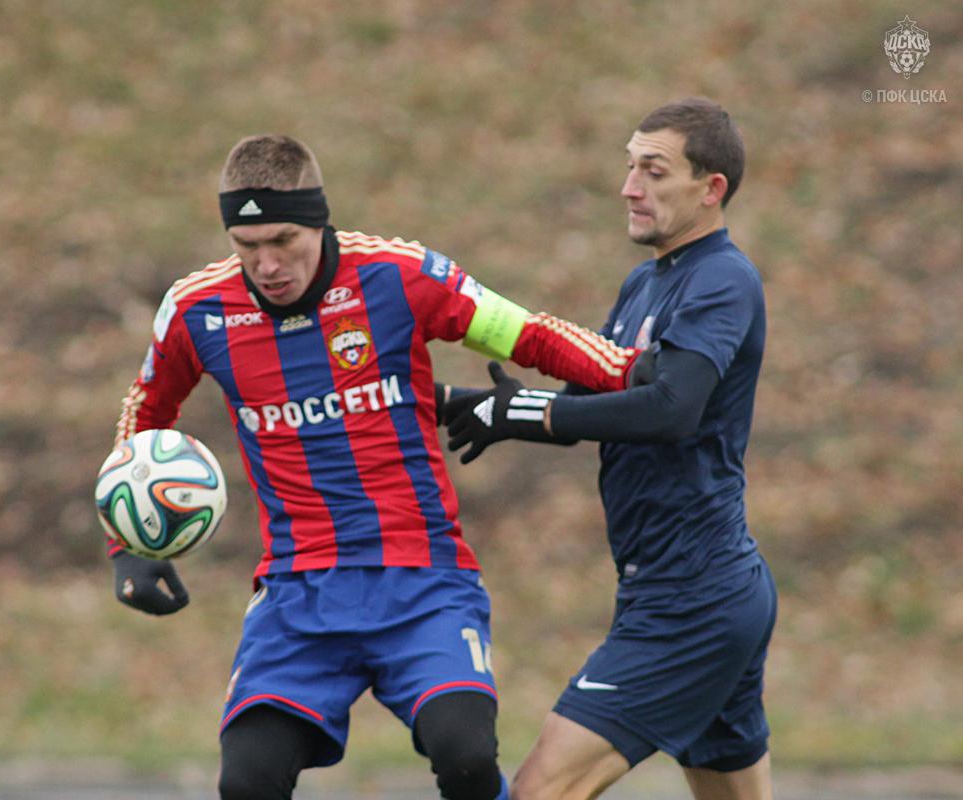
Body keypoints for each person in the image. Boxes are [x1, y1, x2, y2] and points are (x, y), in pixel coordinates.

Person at [105, 134, 647, 800]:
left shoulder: (398, 275)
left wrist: (632, 372)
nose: (267, 265)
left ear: (318, 221)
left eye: (283, 241)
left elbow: (525, 333)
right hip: (297, 597)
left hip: (423, 583)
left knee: (466, 757)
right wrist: (127, 545)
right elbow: (145, 411)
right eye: (247, 246)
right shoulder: (197, 309)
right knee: (247, 782)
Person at [444, 98, 776, 800]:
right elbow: (585, 400)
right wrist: (450, 402)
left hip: (692, 599)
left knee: (539, 792)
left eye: (653, 171)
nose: (629, 188)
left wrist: (525, 413)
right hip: (688, 588)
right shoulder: (644, 283)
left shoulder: (721, 278)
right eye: (629, 167)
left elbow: (671, 409)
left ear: (711, 188)